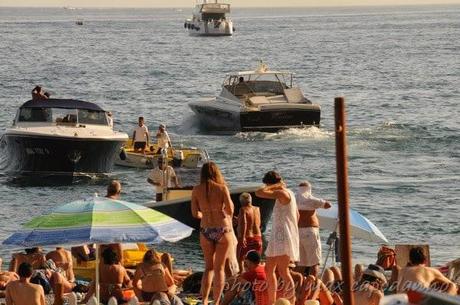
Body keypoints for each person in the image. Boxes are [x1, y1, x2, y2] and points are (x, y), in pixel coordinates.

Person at [191, 162, 234, 305]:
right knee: (219, 268)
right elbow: (230, 210)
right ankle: (216, 302)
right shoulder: (222, 188)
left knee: (208, 268)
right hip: (222, 229)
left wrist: (205, 214)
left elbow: (194, 213)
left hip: (206, 230)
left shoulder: (196, 190)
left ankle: (204, 300)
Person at [255, 171, 299, 305]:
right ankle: (272, 301)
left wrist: (274, 186)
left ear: (270, 183)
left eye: (267, 184)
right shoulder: (290, 193)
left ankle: (291, 301)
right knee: (269, 269)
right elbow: (297, 215)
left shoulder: (282, 193)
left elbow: (259, 192)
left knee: (284, 271)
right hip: (278, 234)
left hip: (283, 235)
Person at [295, 181, 331, 277]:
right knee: (314, 263)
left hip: (297, 232)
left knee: (300, 264)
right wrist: (316, 203)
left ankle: (297, 287)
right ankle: (312, 286)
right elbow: (328, 205)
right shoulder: (311, 199)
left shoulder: (294, 199)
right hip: (310, 231)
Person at [237, 192, 262, 271]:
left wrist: (243, 237)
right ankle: (257, 276)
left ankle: (242, 275)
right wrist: (238, 220)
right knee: (256, 260)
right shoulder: (257, 209)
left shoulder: (243, 209)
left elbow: (245, 223)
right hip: (258, 238)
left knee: (240, 259)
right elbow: (257, 222)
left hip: (248, 238)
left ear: (241, 202)